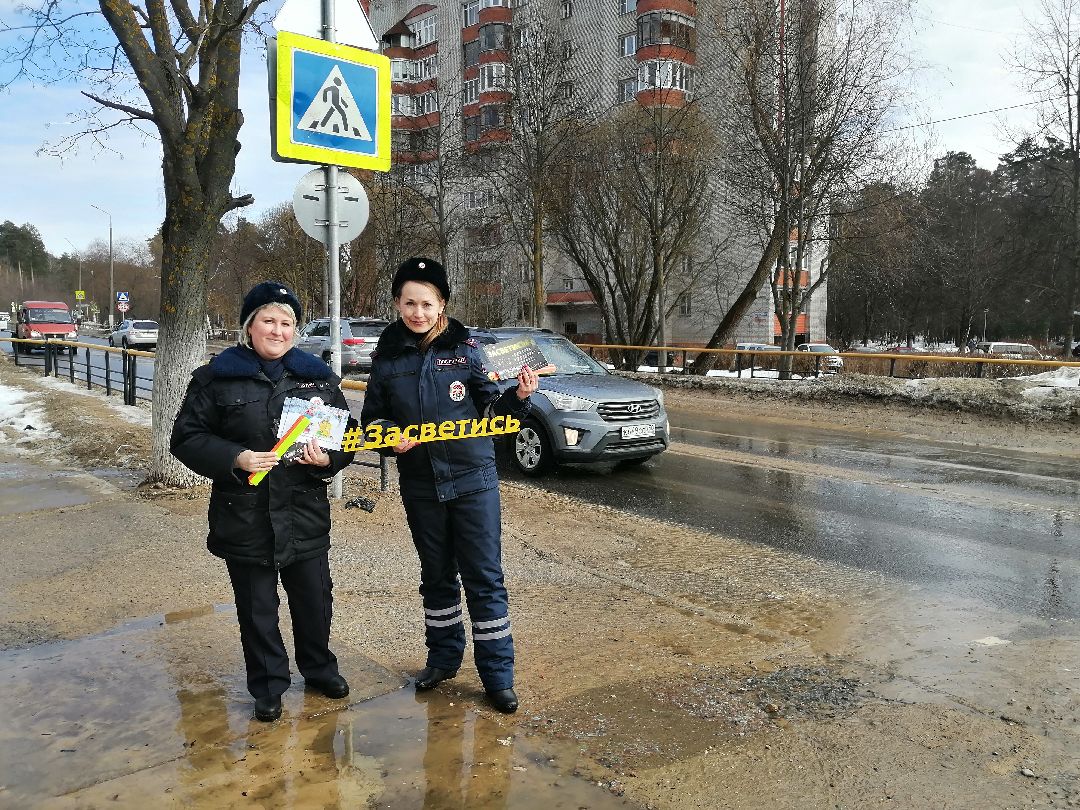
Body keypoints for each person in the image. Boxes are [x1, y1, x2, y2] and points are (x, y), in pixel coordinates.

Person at [171, 281, 356, 722]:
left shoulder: (318, 377)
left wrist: (326, 459)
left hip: (303, 510)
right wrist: (235, 456)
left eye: (286, 322)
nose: (277, 330)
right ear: (249, 327)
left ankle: (318, 669)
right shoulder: (216, 377)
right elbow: (186, 437)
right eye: (267, 321)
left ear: (296, 329)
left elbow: (348, 436)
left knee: (314, 600)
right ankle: (269, 685)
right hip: (245, 512)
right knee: (257, 609)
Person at [361, 257, 538, 714]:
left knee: (484, 579)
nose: (417, 312)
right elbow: (372, 419)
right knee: (436, 578)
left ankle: (498, 676)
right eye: (408, 303)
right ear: (397, 304)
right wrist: (388, 436)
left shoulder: (467, 349)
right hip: (420, 485)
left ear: (442, 305)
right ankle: (442, 660)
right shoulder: (387, 357)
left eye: (426, 303)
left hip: (473, 481)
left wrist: (518, 397)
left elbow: (493, 413)